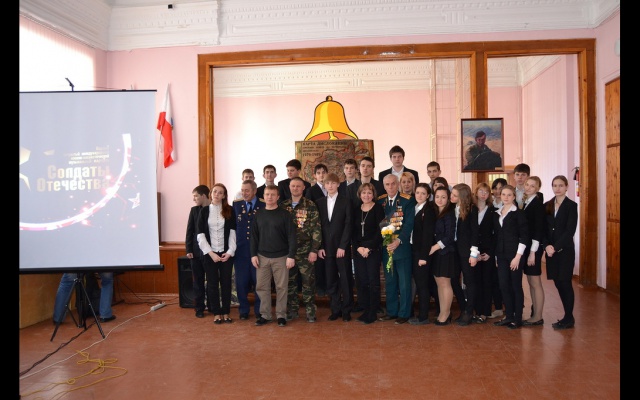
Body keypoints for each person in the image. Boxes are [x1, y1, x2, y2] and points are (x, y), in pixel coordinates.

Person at [250, 184, 297, 327]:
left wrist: (291, 256)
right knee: (262, 287)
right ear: (263, 197)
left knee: (281, 287)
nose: (269, 197)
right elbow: (254, 237)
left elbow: (292, 237)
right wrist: (253, 255)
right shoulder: (258, 215)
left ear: (278, 197)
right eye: (267, 194)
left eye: (272, 195)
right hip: (262, 256)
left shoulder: (285, 215)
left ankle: (281, 315)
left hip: (281, 257)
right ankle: (265, 315)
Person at [281, 177, 322, 323]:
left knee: (308, 283)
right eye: (293, 186)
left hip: (306, 252)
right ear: (289, 187)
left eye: (298, 186)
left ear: (304, 188)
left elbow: (316, 229)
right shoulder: (283, 206)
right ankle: (293, 310)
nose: (295, 188)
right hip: (287, 253)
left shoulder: (310, 205)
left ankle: (310, 311)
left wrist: (314, 250)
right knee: (290, 283)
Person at [376, 173, 416, 325]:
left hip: (402, 247)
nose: (391, 187)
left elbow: (409, 224)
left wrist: (398, 241)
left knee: (404, 283)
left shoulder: (407, 200)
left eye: (393, 183)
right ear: (384, 186)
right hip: (387, 247)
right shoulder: (380, 201)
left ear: (398, 184)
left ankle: (404, 313)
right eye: (387, 184)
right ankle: (392, 311)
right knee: (390, 281)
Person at [197, 183, 237, 324]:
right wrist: (211, 253)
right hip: (210, 254)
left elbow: (232, 233)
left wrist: (230, 252)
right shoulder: (204, 211)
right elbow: (200, 235)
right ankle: (216, 312)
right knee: (212, 284)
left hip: (226, 254)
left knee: (226, 283)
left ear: (224, 195)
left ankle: (225, 312)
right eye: (215, 191)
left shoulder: (229, 210)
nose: (217, 194)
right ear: (211, 194)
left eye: (220, 192)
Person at [317, 173, 354, 321]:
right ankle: (335, 309)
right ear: (324, 185)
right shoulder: (319, 202)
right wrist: (320, 246)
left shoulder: (346, 201)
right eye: (328, 183)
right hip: (326, 249)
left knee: (345, 280)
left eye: (333, 183)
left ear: (338, 184)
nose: (330, 186)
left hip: (341, 249)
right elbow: (317, 227)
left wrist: (343, 246)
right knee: (331, 280)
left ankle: (347, 310)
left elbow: (348, 224)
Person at [492, 184, 529, 329]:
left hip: (515, 256)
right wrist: (496, 257)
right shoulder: (497, 213)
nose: (506, 197)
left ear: (514, 197)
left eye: (509, 195)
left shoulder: (519, 213)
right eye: (503, 194)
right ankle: (509, 316)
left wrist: (518, 257)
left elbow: (524, 236)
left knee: (515, 286)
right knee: (503, 285)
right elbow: (496, 237)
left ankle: (517, 318)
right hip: (501, 256)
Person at [543, 175, 578, 330]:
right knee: (558, 282)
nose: (557, 188)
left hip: (564, 251)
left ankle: (569, 317)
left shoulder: (571, 206)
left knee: (565, 282)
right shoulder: (547, 205)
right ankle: (567, 316)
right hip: (550, 251)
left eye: (561, 185)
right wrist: (546, 246)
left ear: (566, 187)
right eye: (555, 185)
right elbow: (543, 229)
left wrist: (555, 247)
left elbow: (570, 230)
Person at [351, 182, 386, 324]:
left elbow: (381, 231)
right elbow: (352, 231)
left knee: (373, 281)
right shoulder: (356, 209)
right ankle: (365, 308)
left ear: (373, 195)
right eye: (364, 192)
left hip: (373, 250)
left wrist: (368, 248)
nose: (366, 195)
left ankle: (372, 311)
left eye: (369, 192)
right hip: (359, 250)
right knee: (361, 281)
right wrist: (358, 247)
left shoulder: (378, 208)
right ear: (360, 194)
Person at [232, 179, 264, 320]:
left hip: (259, 251)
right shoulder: (236, 205)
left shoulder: (263, 205)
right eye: (242, 190)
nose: (244, 193)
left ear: (254, 191)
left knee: (259, 283)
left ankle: (259, 310)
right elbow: (233, 227)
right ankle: (243, 310)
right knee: (241, 283)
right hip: (241, 251)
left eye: (247, 190)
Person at [450, 183, 480, 326]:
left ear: (462, 197)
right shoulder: (452, 208)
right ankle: (463, 308)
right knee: (453, 279)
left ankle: (469, 311)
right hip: (454, 250)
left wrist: (473, 254)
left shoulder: (472, 209)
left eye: (455, 195)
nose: (451, 197)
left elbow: (475, 232)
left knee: (469, 281)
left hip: (467, 250)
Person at [408, 183, 436, 325]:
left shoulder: (428, 210)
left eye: (423, 193)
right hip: (413, 250)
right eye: (418, 192)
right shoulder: (414, 207)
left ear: (428, 195)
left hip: (422, 253)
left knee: (422, 285)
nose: (419, 195)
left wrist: (424, 256)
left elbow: (428, 235)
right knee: (420, 283)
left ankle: (423, 316)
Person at [429, 186, 456, 325]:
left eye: (443, 197)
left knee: (445, 283)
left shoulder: (449, 213)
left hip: (446, 253)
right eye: (437, 196)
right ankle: (442, 312)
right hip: (436, 253)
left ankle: (446, 314)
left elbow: (449, 236)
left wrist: (434, 247)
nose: (440, 199)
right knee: (439, 283)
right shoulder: (434, 211)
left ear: (448, 198)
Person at [522, 176, 546, 326]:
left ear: (537, 188)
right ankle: (535, 313)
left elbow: (538, 230)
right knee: (531, 281)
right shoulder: (527, 202)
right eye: (527, 185)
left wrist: (532, 253)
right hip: (529, 247)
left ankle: (538, 316)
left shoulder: (537, 205)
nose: (529, 188)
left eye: (532, 186)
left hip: (534, 248)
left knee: (535, 282)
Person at [471, 182, 496, 323]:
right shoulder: (471, 209)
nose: (483, 194)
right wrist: (474, 253)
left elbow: (496, 234)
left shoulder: (493, 211)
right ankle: (477, 310)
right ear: (476, 192)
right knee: (475, 282)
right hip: (474, 251)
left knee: (487, 282)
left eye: (486, 192)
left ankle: (485, 312)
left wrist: (490, 252)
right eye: (481, 191)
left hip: (487, 252)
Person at [185, 184, 211, 318]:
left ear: (203, 196)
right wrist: (189, 249)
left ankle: (212, 306)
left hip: (211, 251)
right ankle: (199, 308)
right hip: (195, 252)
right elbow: (189, 231)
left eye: (195, 196)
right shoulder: (194, 210)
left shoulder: (214, 209)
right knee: (198, 281)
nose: (194, 199)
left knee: (212, 281)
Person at [305, 163, 329, 297]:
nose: (321, 175)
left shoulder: (331, 189)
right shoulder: (311, 190)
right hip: (317, 228)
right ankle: (320, 287)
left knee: (328, 259)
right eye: (318, 173)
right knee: (319, 261)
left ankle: (329, 286)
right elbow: (309, 211)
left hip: (329, 228)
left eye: (323, 172)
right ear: (314, 175)